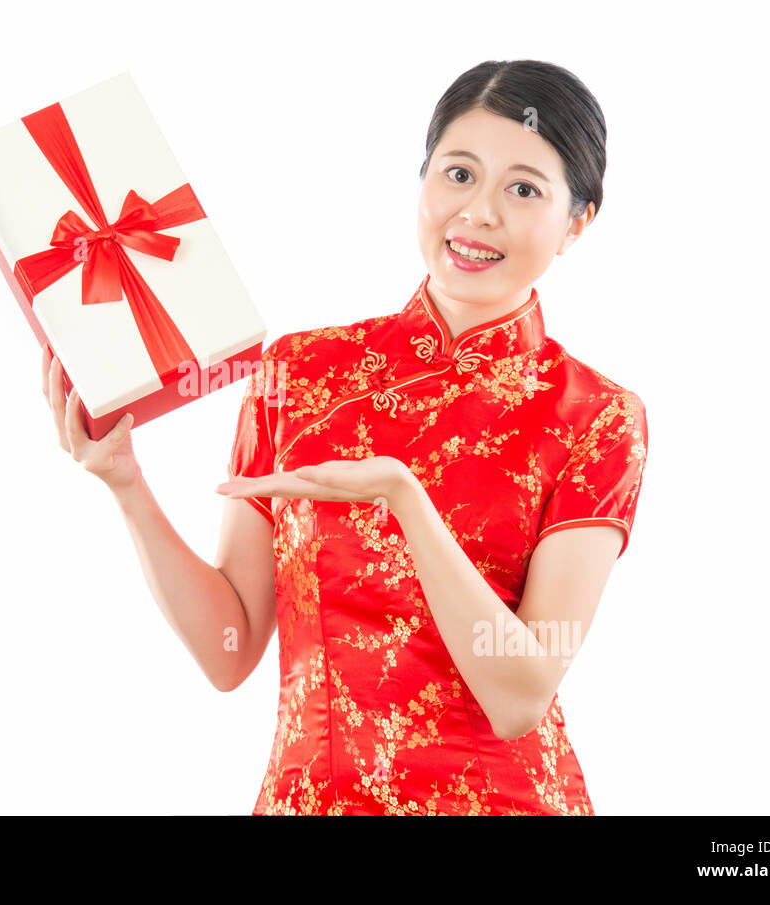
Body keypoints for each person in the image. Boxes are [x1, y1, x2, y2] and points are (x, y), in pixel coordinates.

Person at [40, 59, 648, 815]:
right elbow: (230, 647)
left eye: (524, 189)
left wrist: (404, 495)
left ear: (576, 223)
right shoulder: (299, 371)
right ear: (423, 178)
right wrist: (127, 485)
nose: (479, 211)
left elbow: (519, 691)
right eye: (459, 173)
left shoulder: (595, 415)